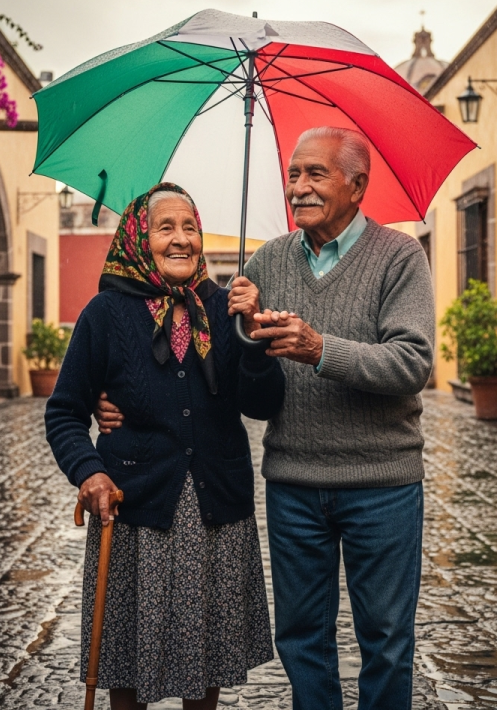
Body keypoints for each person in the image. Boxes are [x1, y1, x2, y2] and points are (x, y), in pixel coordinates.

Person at [97, 127, 435, 710]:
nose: (298, 187)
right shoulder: (267, 262)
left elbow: (412, 363)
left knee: (385, 642)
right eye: (293, 174)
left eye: (315, 174)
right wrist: (124, 401)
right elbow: (228, 381)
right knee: (302, 641)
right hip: (293, 484)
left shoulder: (399, 257)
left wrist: (319, 348)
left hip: (381, 485)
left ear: (357, 185)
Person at [46, 182, 284, 710]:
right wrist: (90, 473)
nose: (182, 240)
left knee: (207, 666)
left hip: (215, 511)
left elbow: (263, 404)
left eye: (190, 227)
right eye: (166, 228)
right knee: (127, 663)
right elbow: (64, 411)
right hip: (135, 514)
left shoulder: (225, 307)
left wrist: (254, 335)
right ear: (138, 238)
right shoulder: (105, 315)